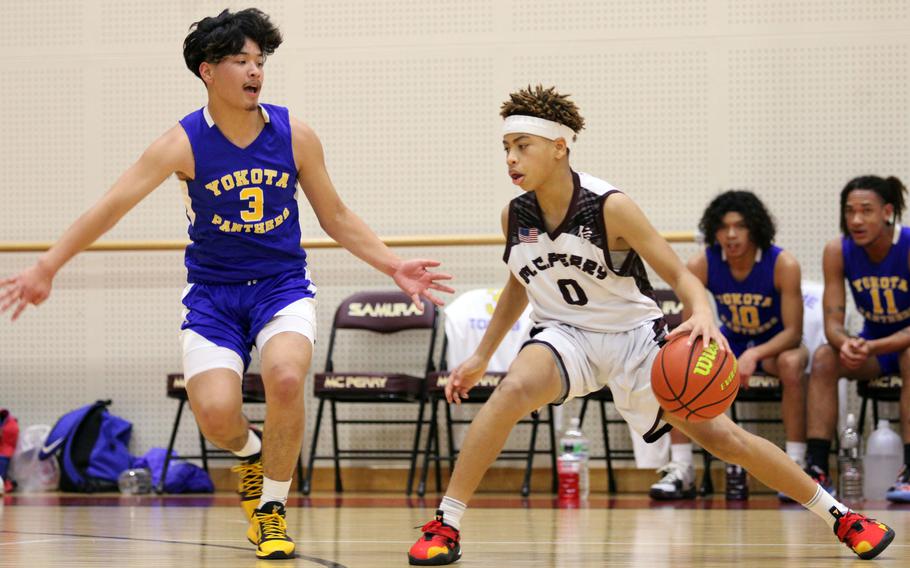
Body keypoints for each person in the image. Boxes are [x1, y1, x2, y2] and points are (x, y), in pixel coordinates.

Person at [0, 8, 453, 560]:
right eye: (241, 60)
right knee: (216, 416)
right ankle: (252, 454)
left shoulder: (295, 135)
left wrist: (391, 263)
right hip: (213, 296)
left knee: (286, 377)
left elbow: (335, 216)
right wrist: (48, 265)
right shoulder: (181, 143)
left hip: (281, 286)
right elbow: (110, 207)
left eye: (260, 60)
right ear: (208, 71)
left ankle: (271, 511)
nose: (255, 70)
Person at [406, 85, 894, 566]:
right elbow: (520, 282)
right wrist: (480, 356)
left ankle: (842, 517)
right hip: (564, 334)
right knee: (511, 389)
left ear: (559, 147)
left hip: (635, 340)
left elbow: (681, 274)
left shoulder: (609, 206)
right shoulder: (515, 215)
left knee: (726, 440)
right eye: (506, 148)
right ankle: (445, 523)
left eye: (522, 146)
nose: (510, 158)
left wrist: (701, 313)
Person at [650, 191, 809, 501]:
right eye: (723, 227)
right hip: (729, 342)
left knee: (792, 363)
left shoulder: (782, 263)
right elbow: (689, 330)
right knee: (678, 368)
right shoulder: (703, 263)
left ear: (755, 228)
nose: (731, 235)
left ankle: (797, 462)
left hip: (775, 345)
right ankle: (681, 468)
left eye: (740, 226)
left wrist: (755, 354)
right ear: (713, 231)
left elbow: (793, 332)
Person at [806, 175, 910, 503]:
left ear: (887, 212)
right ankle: (816, 470)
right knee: (824, 357)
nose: (856, 220)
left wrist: (873, 345)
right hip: (873, 346)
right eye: (849, 211)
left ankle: (909, 470)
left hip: (900, 344)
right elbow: (833, 320)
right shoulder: (837, 250)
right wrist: (845, 343)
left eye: (866, 210)